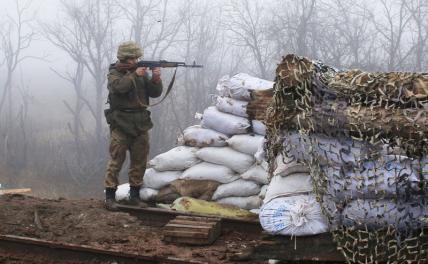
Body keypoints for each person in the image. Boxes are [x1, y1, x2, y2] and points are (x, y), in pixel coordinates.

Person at [104, 41, 163, 210]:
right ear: (124, 58)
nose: (136, 60)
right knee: (116, 161)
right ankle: (109, 196)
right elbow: (119, 88)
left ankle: (134, 195)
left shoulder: (141, 73)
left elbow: (155, 93)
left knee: (139, 161)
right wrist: (134, 75)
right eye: (133, 58)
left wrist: (156, 79)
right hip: (121, 123)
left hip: (141, 123)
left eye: (138, 57)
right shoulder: (114, 73)